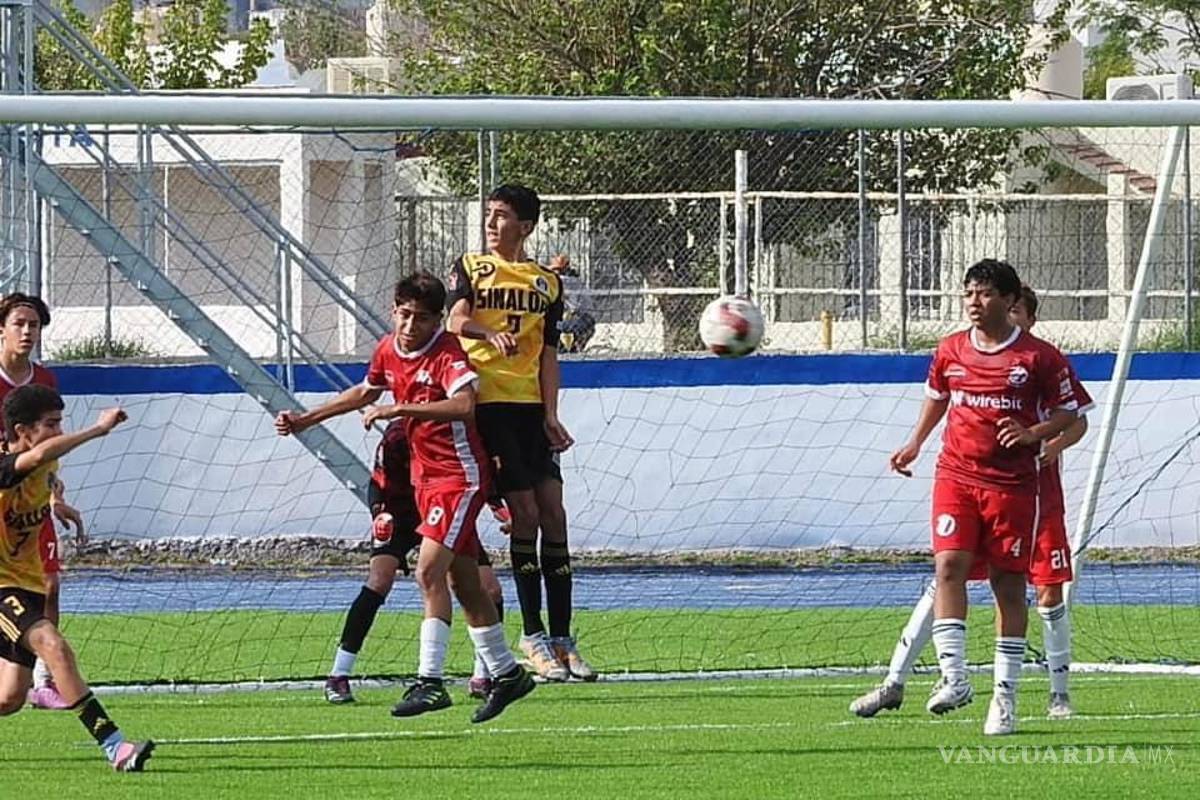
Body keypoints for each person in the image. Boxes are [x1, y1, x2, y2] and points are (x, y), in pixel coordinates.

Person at [278, 272, 533, 723]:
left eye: (419, 317)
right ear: (394, 309)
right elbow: (366, 390)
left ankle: (430, 682)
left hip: (459, 477)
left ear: (438, 320)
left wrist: (401, 408)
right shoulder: (387, 348)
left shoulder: (447, 353)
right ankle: (507, 674)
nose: (409, 324)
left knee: (426, 572)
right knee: (465, 585)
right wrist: (307, 419)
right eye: (403, 313)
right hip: (424, 480)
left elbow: (464, 405)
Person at [851, 285, 1093, 721]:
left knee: (1042, 591)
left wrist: (1049, 444)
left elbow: (1077, 419)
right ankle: (897, 681)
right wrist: (915, 444)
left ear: (1028, 318)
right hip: (972, 485)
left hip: (1035, 495)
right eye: (1007, 308)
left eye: (1018, 310)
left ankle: (1056, 694)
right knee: (945, 575)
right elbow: (942, 397)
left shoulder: (1038, 360)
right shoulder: (962, 353)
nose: (1010, 317)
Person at [446, 184, 595, 682]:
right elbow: (455, 319)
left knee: (555, 514)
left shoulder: (546, 284)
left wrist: (552, 413)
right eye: (489, 214)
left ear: (526, 226)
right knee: (526, 513)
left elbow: (549, 355)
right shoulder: (471, 267)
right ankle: (531, 637)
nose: (491, 223)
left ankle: (563, 639)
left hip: (531, 411)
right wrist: (488, 334)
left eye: (502, 215)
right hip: (490, 407)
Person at [0, 384, 153, 770]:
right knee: (54, 646)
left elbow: (46, 471)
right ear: (22, 431)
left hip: (28, 582)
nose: (59, 430)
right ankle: (115, 745)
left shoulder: (46, 462)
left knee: (9, 698)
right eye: (51, 424)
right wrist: (98, 430)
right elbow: (38, 458)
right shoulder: (4, 467)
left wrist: (56, 502)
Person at [322, 420, 509, 704]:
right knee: (379, 580)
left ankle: (482, 675)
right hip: (401, 514)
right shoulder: (397, 437)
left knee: (490, 589)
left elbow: (480, 477)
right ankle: (339, 674)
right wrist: (378, 513)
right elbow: (377, 482)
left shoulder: (462, 433)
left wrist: (499, 507)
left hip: (444, 512)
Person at [0, 293, 84, 710]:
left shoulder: (43, 381)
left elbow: (48, 449)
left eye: (34, 325)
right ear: (2, 328)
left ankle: (45, 679)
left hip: (29, 499)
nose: (28, 332)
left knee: (49, 583)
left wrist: (54, 495)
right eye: (20, 323)